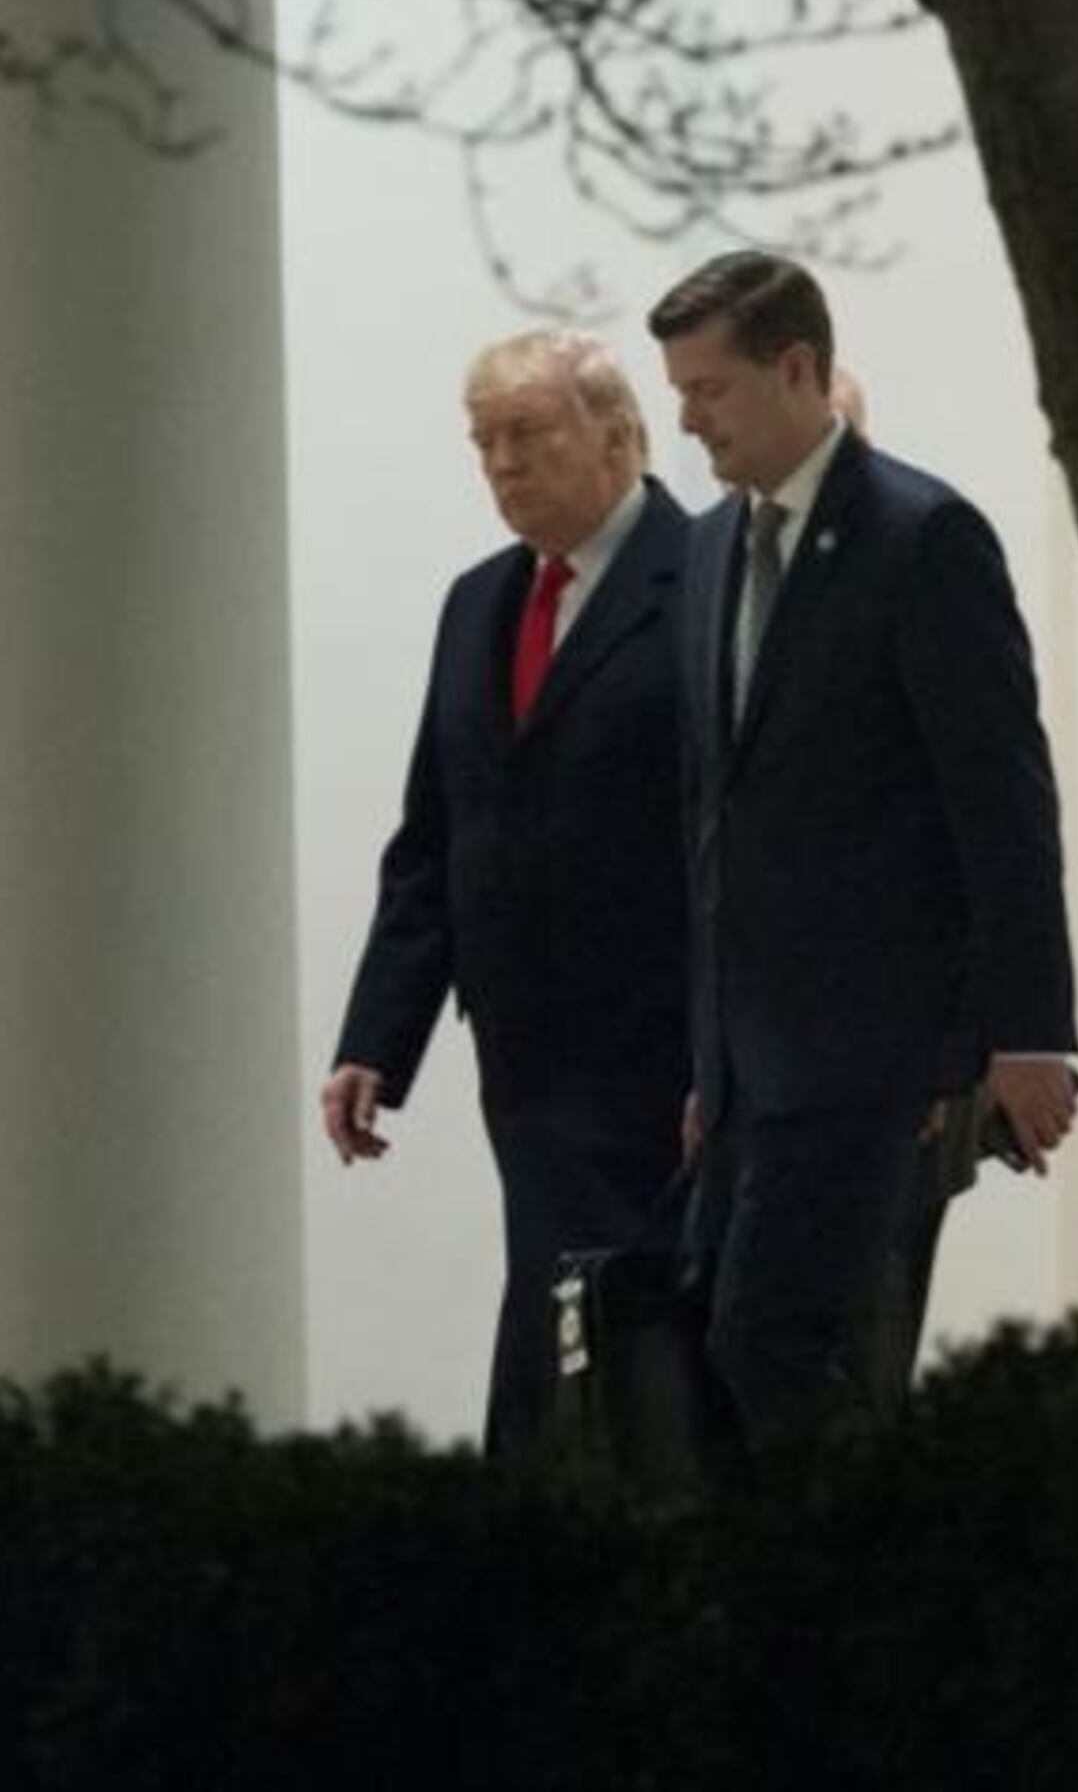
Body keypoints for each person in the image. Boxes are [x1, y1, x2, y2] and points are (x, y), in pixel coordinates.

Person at [654, 251, 1078, 1445]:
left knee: (771, 1338)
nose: (686, 421)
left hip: (878, 1049)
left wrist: (1029, 1030)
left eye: (708, 390)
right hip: (752, 1056)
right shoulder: (708, 552)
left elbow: (1001, 800)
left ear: (798, 370)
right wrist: (709, 1055)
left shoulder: (922, 537)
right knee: (736, 1346)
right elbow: (714, 821)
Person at [327, 330, 697, 1456]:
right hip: (526, 1048)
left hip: (663, 1043)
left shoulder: (708, 580)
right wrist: (375, 1039)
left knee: (631, 1317)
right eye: (483, 442)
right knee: (557, 1300)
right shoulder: (477, 605)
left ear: (621, 435)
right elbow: (436, 839)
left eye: (527, 435)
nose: (501, 464)